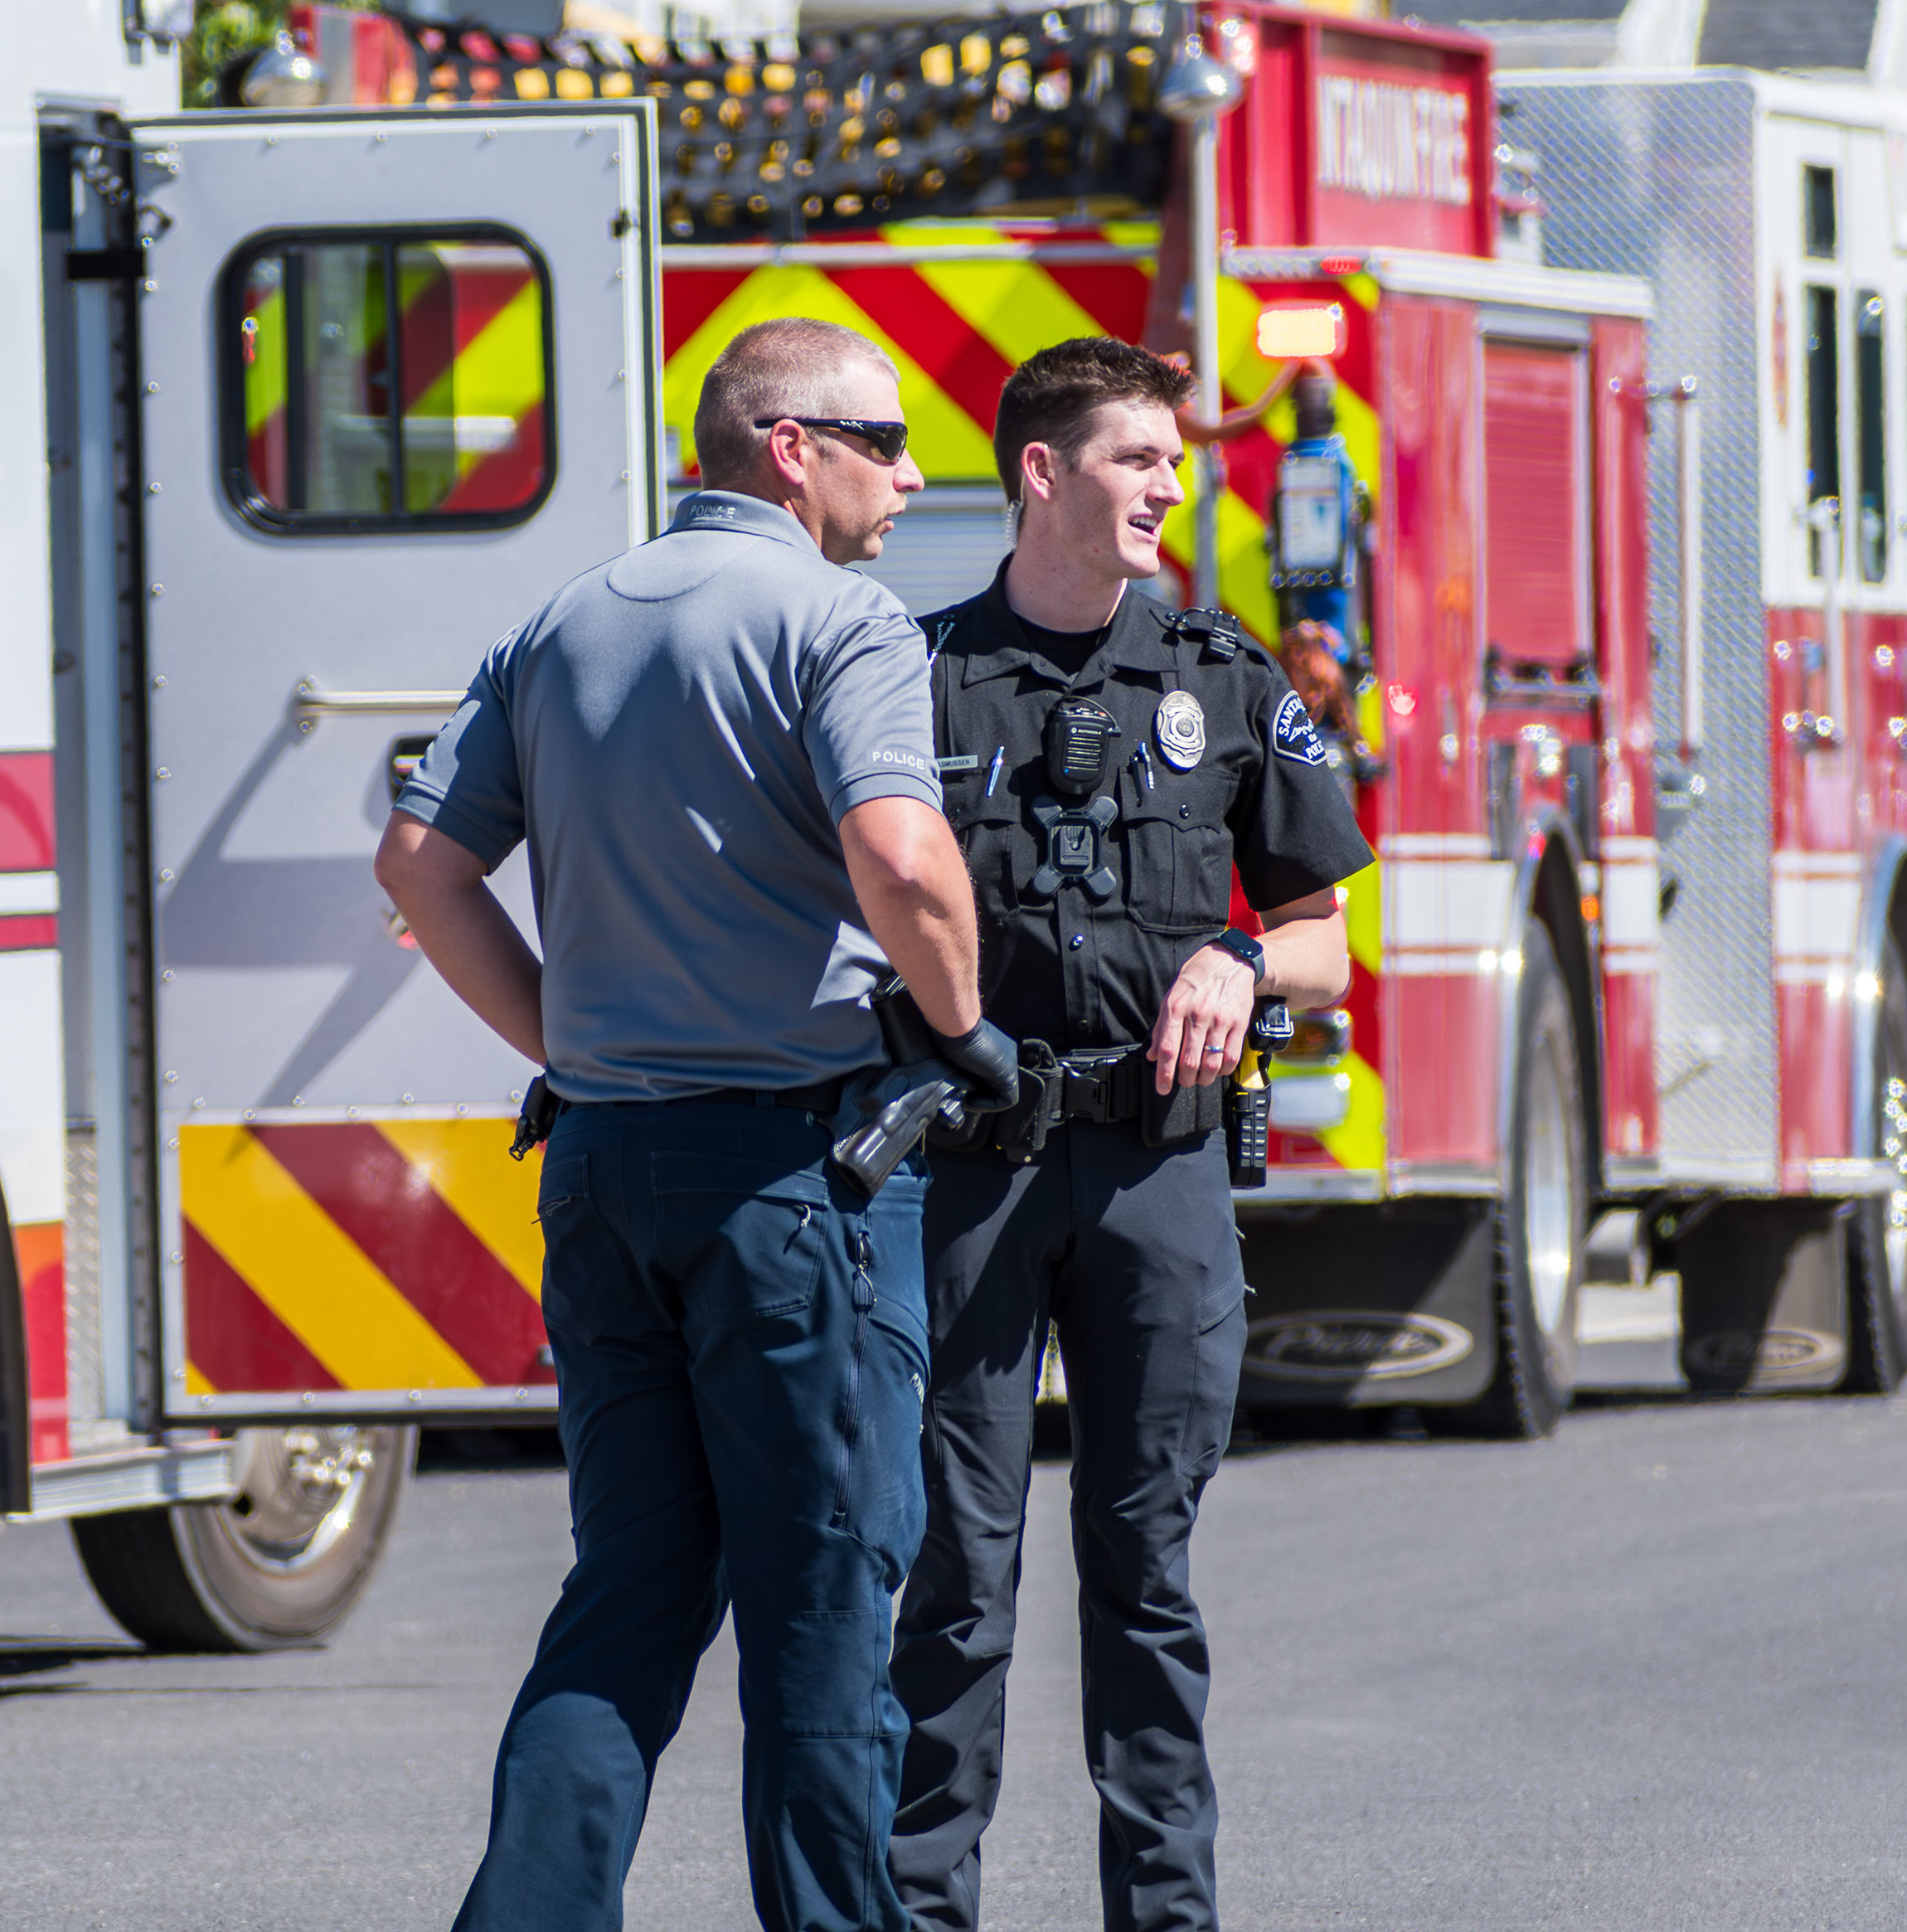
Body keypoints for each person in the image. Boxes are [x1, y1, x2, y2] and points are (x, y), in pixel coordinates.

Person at [378, 317, 1017, 1932]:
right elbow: (904, 857)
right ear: (788, 446)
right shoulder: (841, 621)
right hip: (794, 1179)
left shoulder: (564, 622)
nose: (912, 469)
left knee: (629, 1597)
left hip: (605, 1171)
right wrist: (961, 1023)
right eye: (881, 437)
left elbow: (418, 867)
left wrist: (570, 1042)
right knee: (819, 1605)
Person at [891, 337, 1371, 1932]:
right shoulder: (914, 676)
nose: (1172, 484)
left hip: (1159, 1171)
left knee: (1144, 1573)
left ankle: (1167, 1918)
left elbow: (1323, 938)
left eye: (1174, 460)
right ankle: (921, 1907)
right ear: (1042, 473)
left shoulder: (1223, 677)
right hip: (975, 1172)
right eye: (1138, 459)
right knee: (956, 1577)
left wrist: (1244, 959)